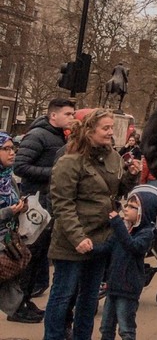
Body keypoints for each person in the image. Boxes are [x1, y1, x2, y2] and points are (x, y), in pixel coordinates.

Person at [43, 108, 142, 340]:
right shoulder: (69, 161)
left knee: (89, 300)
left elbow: (115, 193)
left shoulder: (114, 157)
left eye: (111, 128)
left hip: (100, 240)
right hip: (71, 243)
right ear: (89, 131)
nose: (111, 133)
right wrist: (77, 238)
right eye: (105, 128)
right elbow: (62, 204)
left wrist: (130, 176)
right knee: (63, 296)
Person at [12, 97, 76, 309]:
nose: (72, 118)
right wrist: (56, 173)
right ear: (53, 115)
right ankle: (18, 304)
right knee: (31, 254)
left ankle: (28, 299)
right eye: (67, 114)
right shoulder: (39, 135)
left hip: (50, 204)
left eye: (73, 114)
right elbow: (20, 166)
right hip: (36, 204)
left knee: (40, 255)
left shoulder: (61, 138)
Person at [97, 190, 157, 340]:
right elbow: (107, 247)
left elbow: (133, 246)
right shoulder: (124, 230)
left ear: (142, 213)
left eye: (132, 207)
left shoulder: (146, 233)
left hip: (128, 289)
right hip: (113, 287)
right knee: (106, 327)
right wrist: (90, 248)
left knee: (126, 329)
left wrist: (118, 224)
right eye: (127, 205)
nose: (126, 209)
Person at [0, 131, 38, 323]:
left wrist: (22, 207)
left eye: (13, 148)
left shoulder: (8, 178)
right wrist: (9, 212)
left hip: (8, 241)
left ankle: (18, 308)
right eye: (6, 149)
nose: (12, 153)